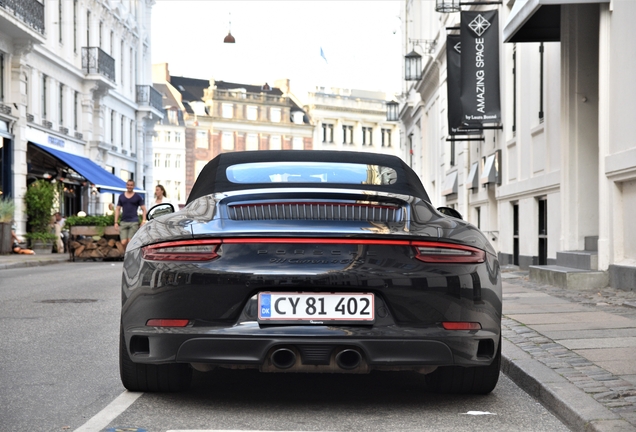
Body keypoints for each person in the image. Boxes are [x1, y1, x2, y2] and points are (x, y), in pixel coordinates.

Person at [114, 179, 147, 249]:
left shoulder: (137, 197)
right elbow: (117, 209)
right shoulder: (121, 196)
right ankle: (127, 254)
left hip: (134, 221)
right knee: (123, 242)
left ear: (133, 186)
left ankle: (129, 256)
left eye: (131, 185)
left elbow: (144, 209)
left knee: (130, 241)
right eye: (128, 185)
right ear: (126, 185)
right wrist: (116, 222)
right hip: (123, 221)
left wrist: (143, 221)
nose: (129, 186)